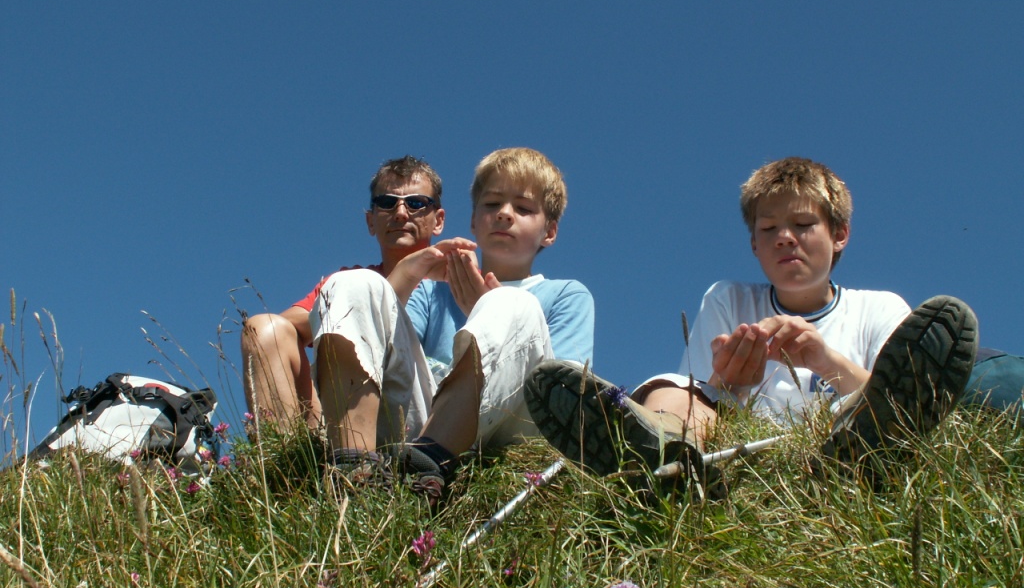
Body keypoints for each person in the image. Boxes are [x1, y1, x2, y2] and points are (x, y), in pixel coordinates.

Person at [524, 156, 979, 487]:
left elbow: (897, 393)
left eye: (803, 224)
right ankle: (664, 460)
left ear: (839, 235)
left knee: (872, 401)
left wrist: (825, 360)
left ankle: (856, 457)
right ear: (754, 247)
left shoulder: (879, 308)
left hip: (832, 439)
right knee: (668, 385)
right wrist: (727, 382)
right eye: (768, 230)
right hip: (740, 450)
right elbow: (701, 397)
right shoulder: (729, 299)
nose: (785, 238)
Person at [312, 147, 594, 502]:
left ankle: (425, 470)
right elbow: (388, 355)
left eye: (523, 208)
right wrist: (408, 274)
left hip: (505, 427)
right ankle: (352, 469)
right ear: (474, 220)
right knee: (351, 282)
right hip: (422, 418)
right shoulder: (432, 291)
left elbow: (562, 394)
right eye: (492, 204)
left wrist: (485, 309)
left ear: (549, 232)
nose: (505, 214)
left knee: (511, 303)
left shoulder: (566, 294)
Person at [241, 155, 448, 433]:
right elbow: (284, 327)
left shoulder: (458, 280)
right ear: (371, 221)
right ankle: (286, 465)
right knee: (262, 329)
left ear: (438, 220)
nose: (400, 212)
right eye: (387, 202)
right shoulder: (347, 282)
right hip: (340, 413)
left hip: (430, 416)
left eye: (416, 203)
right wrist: (350, 313)